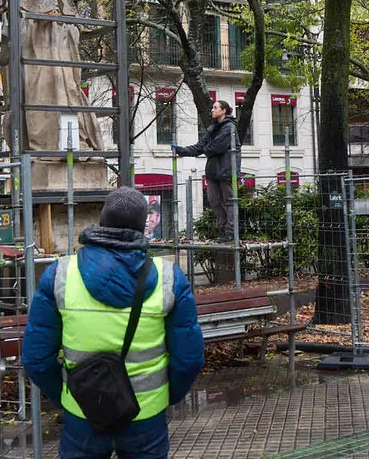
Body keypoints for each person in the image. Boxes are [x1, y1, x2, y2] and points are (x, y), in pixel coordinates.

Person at [23, 187, 205, 459]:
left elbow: (36, 358)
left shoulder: (60, 275)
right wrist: (167, 396)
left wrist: (68, 397)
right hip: (146, 415)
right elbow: (189, 359)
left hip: (83, 412)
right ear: (143, 227)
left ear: (101, 220)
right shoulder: (169, 278)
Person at [172, 100, 240, 239]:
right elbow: (200, 147)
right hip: (213, 171)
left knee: (229, 201)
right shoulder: (213, 128)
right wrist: (181, 150)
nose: (212, 110)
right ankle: (224, 229)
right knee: (213, 200)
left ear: (224, 110)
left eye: (215, 108)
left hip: (226, 170)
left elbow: (215, 147)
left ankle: (230, 232)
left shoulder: (229, 127)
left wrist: (206, 149)